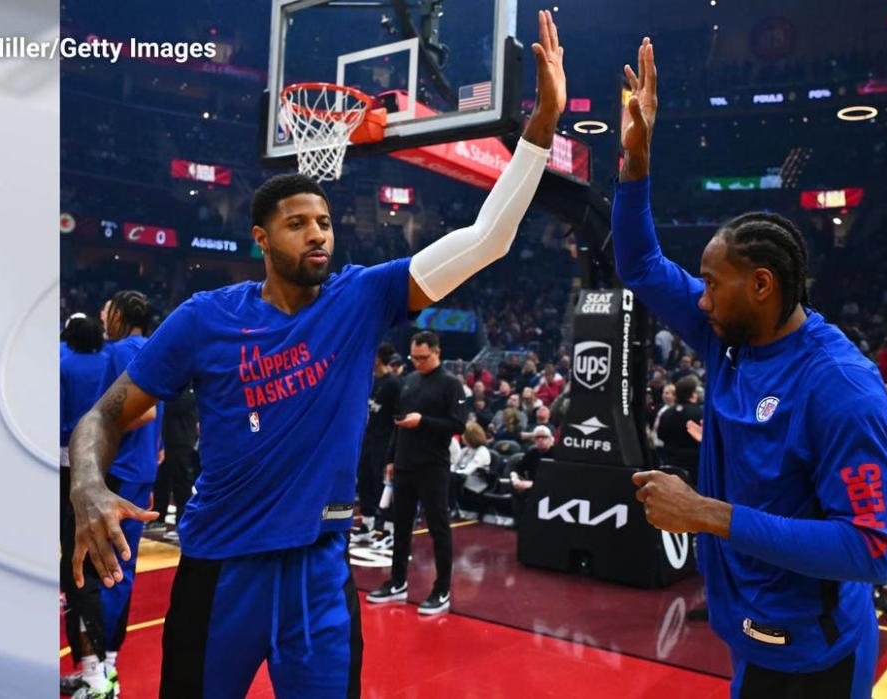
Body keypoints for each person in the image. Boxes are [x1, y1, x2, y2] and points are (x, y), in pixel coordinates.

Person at [68, 12, 567, 695]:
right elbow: (104, 414)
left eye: (325, 222)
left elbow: (487, 238)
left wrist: (539, 130)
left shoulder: (362, 298)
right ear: (261, 238)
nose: (317, 234)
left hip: (320, 573)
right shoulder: (204, 319)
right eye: (297, 223)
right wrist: (87, 484)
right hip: (221, 568)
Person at [617, 38, 887, 698]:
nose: (700, 298)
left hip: (815, 653)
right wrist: (637, 161)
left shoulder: (841, 387)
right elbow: (639, 266)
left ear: (763, 284)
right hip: (750, 632)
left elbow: (872, 549)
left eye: (713, 284)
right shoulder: (728, 333)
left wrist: (707, 514)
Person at [368, 331, 468, 614]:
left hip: (432, 465)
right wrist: (390, 458)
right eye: (415, 357)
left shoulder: (451, 384)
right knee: (399, 526)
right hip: (404, 463)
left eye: (423, 358)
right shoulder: (409, 381)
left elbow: (458, 425)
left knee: (438, 528)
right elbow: (398, 422)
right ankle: (398, 581)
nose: (418, 362)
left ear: (437, 352)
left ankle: (442, 589)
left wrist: (423, 421)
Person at [96, 290, 164, 685]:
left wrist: (100, 428)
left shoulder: (119, 352)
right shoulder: (155, 348)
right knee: (122, 565)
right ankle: (108, 658)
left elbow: (142, 411)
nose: (104, 316)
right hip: (140, 472)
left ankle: (101, 664)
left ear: (119, 314)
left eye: (107, 310)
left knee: (106, 568)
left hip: (119, 471)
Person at [59, 313, 116, 698]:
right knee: (93, 564)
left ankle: (95, 676)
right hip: (107, 464)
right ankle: (99, 669)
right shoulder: (111, 359)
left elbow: (60, 418)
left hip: (69, 462)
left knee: (78, 569)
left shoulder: (63, 363)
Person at [352, 342, 401, 543]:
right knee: (365, 481)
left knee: (385, 486)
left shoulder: (394, 384)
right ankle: (368, 524)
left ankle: (389, 529)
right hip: (368, 439)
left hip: (386, 442)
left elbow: (398, 418)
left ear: (378, 358)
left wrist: (395, 449)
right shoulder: (369, 381)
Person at [151, 382, 199, 540]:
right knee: (161, 481)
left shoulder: (190, 389)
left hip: (182, 442)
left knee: (182, 485)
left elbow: (178, 406)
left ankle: (182, 522)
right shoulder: (169, 388)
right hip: (165, 440)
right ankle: (158, 517)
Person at [510, 425, 553, 524]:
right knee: (514, 486)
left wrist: (532, 484)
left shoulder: (557, 453)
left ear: (551, 439)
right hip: (531, 485)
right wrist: (515, 480)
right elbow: (516, 469)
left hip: (550, 487)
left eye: (544, 437)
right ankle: (520, 522)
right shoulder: (532, 452)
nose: (541, 440)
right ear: (534, 440)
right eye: (537, 437)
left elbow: (556, 479)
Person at [449, 421, 491, 517]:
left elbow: (468, 470)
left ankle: (452, 507)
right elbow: (454, 465)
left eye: (464, 434)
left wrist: (453, 472)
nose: (462, 437)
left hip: (476, 481)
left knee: (452, 477)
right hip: (461, 478)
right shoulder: (465, 450)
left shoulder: (482, 451)